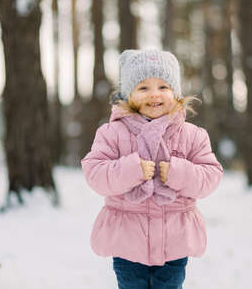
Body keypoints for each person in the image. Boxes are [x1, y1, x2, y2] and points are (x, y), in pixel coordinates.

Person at [81, 49, 223, 289]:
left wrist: (179, 173)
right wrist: (131, 169)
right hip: (128, 242)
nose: (154, 94)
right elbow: (95, 173)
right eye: (143, 88)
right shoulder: (112, 133)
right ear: (129, 95)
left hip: (174, 242)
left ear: (176, 92)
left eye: (163, 87)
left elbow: (211, 176)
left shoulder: (192, 135)